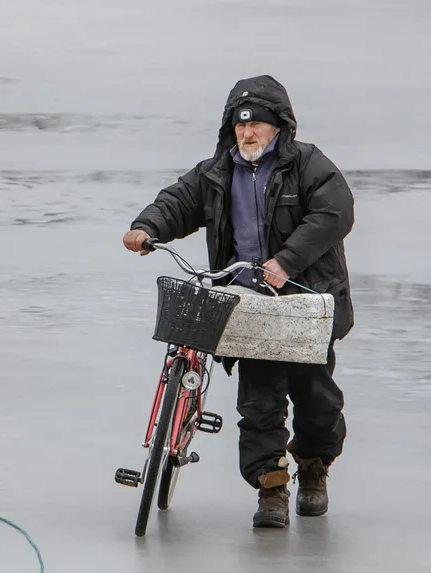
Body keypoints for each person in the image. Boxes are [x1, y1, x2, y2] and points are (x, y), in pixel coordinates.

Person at [122, 75, 354, 528]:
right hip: (250, 303)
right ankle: (270, 487)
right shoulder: (217, 171)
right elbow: (178, 203)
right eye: (239, 126)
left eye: (256, 126)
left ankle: (312, 470)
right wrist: (146, 226)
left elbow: (335, 212)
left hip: (303, 305)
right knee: (259, 401)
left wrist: (286, 261)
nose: (246, 134)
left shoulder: (308, 165)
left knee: (316, 401)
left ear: (279, 127)